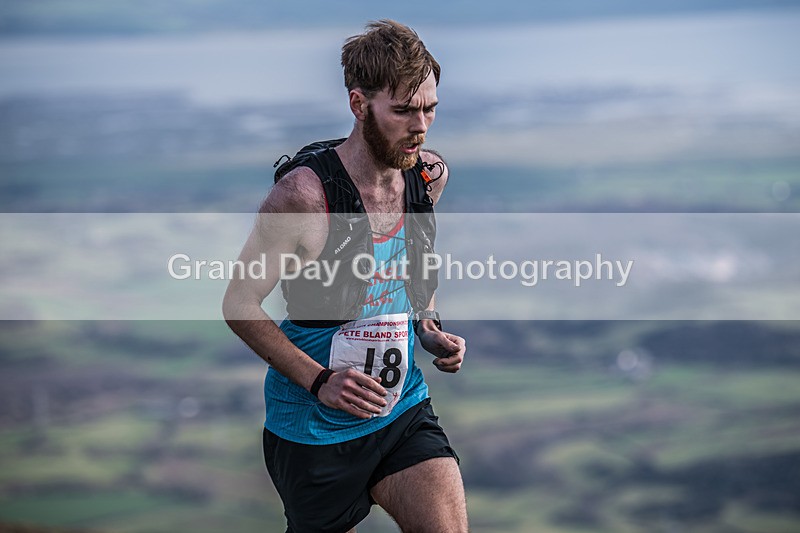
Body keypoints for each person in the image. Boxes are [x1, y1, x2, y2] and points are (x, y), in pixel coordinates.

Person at [223, 19, 467, 533]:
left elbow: (411, 279)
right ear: (359, 105)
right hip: (313, 429)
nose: (420, 126)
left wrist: (428, 326)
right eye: (403, 110)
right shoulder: (304, 198)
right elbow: (240, 304)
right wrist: (320, 381)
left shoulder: (428, 178)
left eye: (429, 108)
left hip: (401, 410)